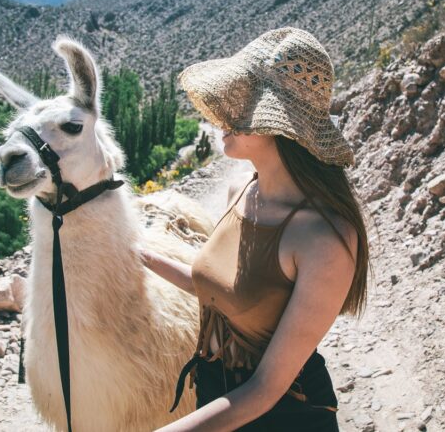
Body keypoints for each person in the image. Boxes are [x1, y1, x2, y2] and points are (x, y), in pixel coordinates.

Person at [139, 27, 372, 431]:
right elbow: (224, 290)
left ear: (277, 124)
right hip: (219, 398)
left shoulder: (325, 239)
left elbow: (266, 388)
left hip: (285, 417)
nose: (223, 116)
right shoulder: (240, 189)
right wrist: (140, 256)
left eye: (242, 105)